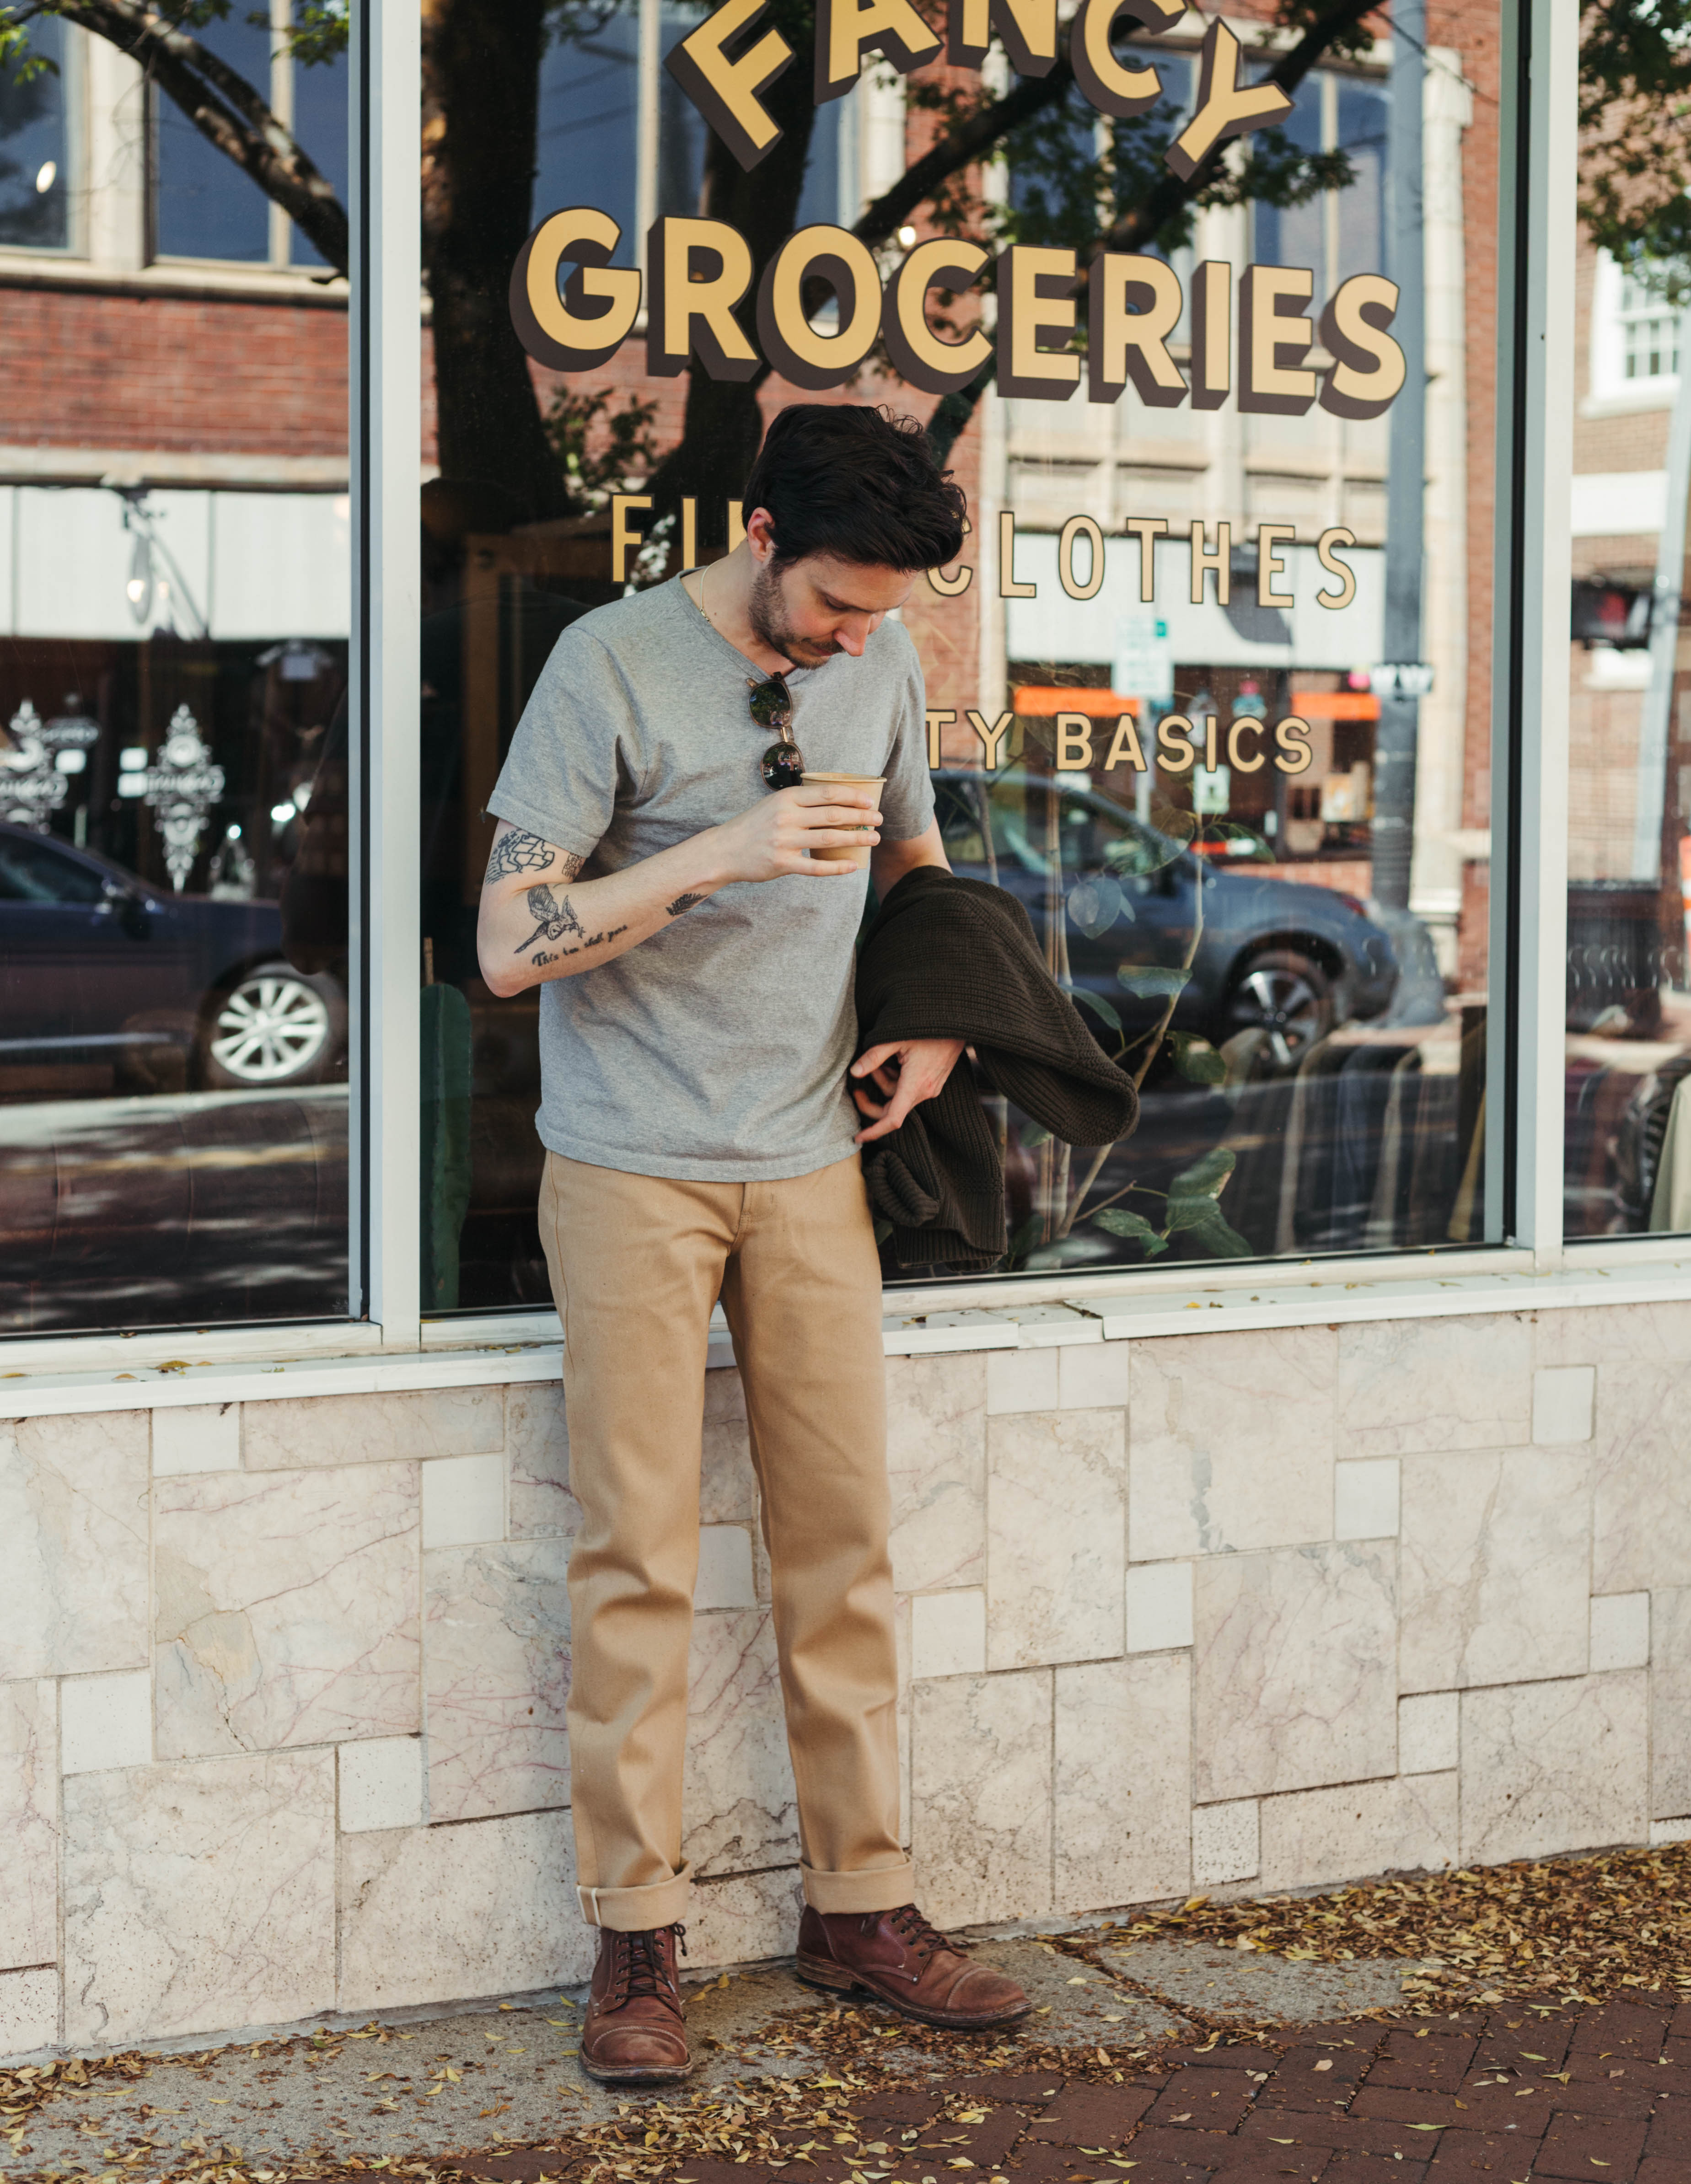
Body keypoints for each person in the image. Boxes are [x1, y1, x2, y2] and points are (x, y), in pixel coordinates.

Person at [477, 403, 1031, 2086]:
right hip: (630, 1166)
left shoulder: (878, 658)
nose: (859, 640)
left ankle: (859, 1907)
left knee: (841, 1548)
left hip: (811, 1163)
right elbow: (504, 942)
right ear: (761, 534)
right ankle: (636, 1943)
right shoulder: (608, 662)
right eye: (838, 604)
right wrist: (716, 854)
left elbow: (917, 860)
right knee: (637, 1558)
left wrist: (930, 1025)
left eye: (883, 614)